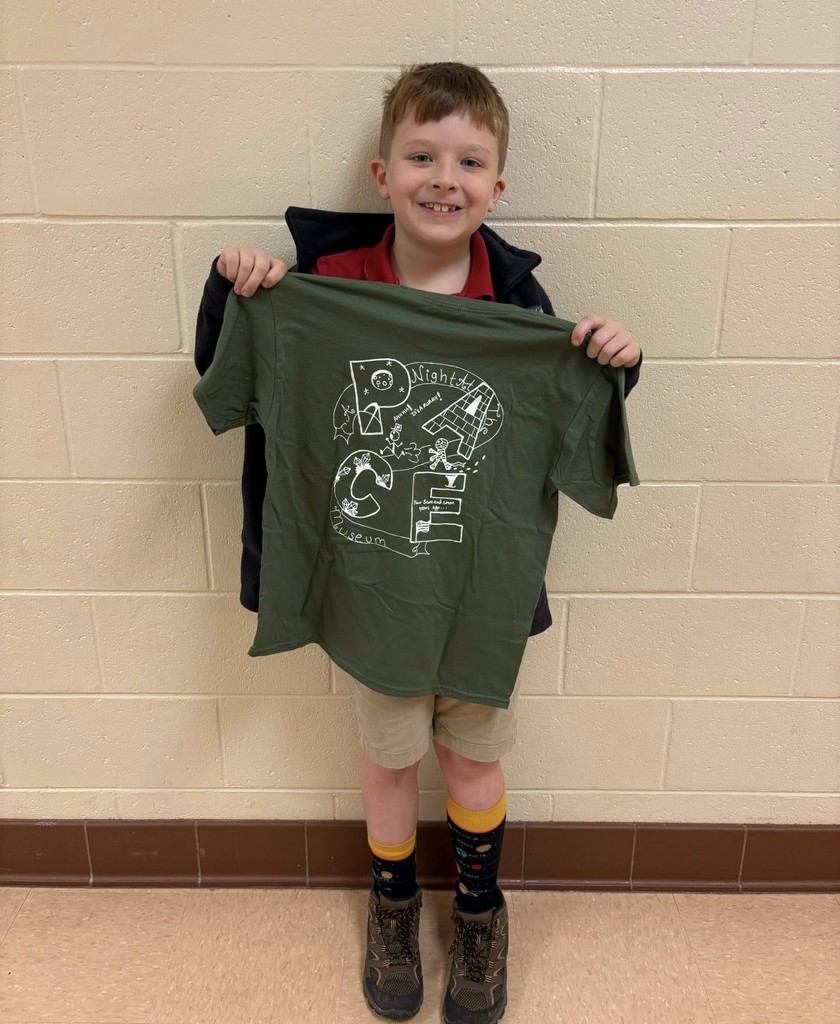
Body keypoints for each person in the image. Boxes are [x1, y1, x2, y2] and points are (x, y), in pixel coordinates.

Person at [195, 62, 642, 1024]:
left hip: (480, 590)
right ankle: (394, 902)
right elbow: (231, 371)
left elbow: (578, 423)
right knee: (389, 756)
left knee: (475, 760)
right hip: (374, 585)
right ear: (382, 174)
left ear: (498, 186)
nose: (446, 177)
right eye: (423, 155)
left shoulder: (522, 311)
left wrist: (615, 361)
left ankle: (479, 911)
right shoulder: (329, 289)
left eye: (470, 160)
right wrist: (240, 286)